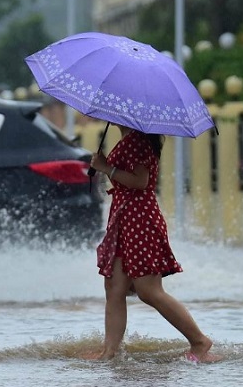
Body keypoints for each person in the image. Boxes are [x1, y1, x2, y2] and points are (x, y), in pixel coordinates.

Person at [89, 124, 220, 363]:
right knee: (114, 288)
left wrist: (106, 167)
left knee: (149, 291)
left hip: (140, 221)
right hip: (124, 219)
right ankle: (110, 352)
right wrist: (107, 166)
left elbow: (140, 181)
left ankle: (200, 341)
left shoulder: (137, 141)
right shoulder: (129, 139)